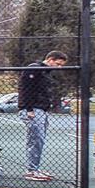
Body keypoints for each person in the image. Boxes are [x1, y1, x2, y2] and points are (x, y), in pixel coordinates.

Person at [16, 50, 70, 181]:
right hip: (34, 109)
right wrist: (28, 109)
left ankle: (34, 168)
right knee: (36, 140)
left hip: (42, 109)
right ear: (50, 59)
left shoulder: (45, 73)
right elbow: (26, 90)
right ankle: (31, 170)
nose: (59, 67)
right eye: (57, 64)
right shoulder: (34, 69)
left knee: (38, 140)